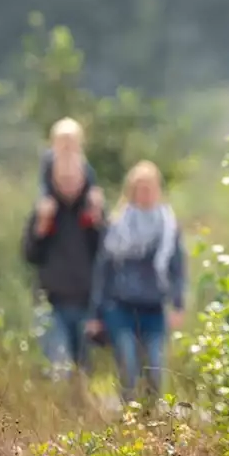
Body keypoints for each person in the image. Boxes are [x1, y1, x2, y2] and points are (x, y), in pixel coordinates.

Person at [86, 161, 187, 406]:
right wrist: (95, 313)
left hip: (154, 308)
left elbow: (177, 268)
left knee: (155, 369)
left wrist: (178, 304)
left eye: (150, 187)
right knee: (128, 368)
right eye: (140, 188)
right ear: (131, 191)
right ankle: (128, 418)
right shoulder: (117, 225)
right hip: (121, 307)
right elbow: (103, 271)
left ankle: (151, 419)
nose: (146, 193)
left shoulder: (168, 226)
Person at [21, 139, 105, 383]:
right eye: (63, 179)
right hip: (51, 304)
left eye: (73, 179)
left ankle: (78, 421)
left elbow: (106, 256)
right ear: (53, 178)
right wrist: (42, 227)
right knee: (60, 371)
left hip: (86, 304)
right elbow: (29, 254)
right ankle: (56, 416)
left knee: (83, 375)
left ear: (83, 178)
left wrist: (97, 222)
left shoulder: (93, 210)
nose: (68, 185)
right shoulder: (44, 210)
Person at [40, 117, 105, 217]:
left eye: (71, 141)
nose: (67, 146)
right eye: (62, 141)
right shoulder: (49, 162)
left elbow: (91, 182)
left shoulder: (82, 162)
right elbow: (45, 185)